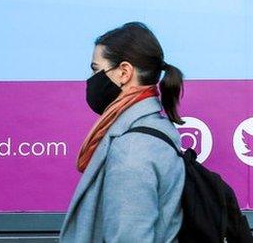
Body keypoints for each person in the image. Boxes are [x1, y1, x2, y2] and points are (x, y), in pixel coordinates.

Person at [59, 21, 186, 242]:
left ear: (124, 72)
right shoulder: (154, 129)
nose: (90, 80)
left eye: (96, 70)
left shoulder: (132, 149)